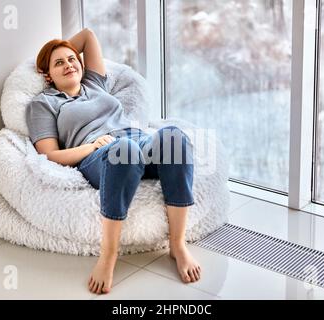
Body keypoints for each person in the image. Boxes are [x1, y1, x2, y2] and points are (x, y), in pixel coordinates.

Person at [26, 28, 201, 294]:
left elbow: (87, 36)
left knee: (174, 138)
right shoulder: (43, 103)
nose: (69, 65)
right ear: (48, 75)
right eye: (58, 63)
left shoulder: (94, 83)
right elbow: (48, 154)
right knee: (124, 151)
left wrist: (58, 50)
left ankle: (177, 244)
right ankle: (108, 256)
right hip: (98, 154)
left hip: (136, 140)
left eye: (72, 59)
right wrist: (91, 146)